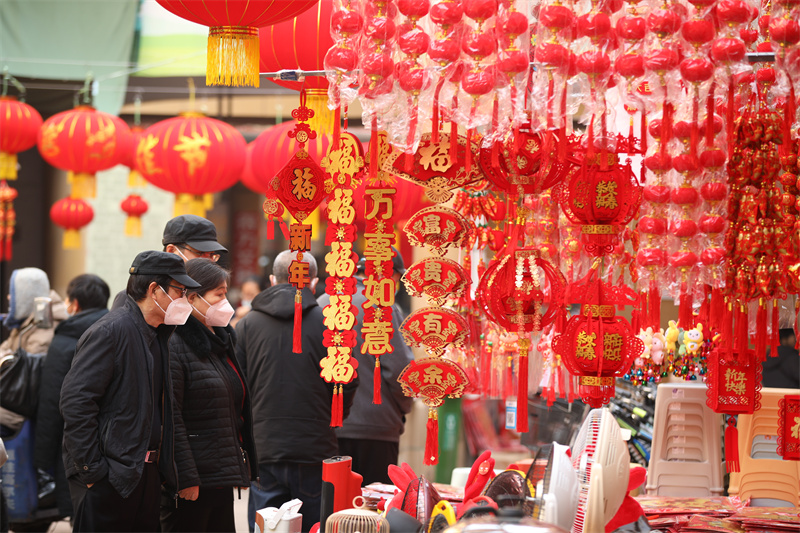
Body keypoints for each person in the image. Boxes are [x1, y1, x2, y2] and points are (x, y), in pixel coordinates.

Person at [60, 251, 199, 532]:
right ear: (154, 290)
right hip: (110, 478)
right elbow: (76, 402)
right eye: (179, 291)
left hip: (144, 474)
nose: (184, 300)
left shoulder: (159, 334)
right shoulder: (111, 331)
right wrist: (93, 471)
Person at [235, 251, 358, 532]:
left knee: (268, 525)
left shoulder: (247, 325)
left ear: (271, 280)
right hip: (314, 447)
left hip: (263, 447)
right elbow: (347, 382)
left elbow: (236, 387)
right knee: (314, 525)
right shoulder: (332, 325)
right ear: (314, 283)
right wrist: (332, 415)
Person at [160, 258, 258, 532]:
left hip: (221, 475)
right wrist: (186, 477)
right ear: (192, 298)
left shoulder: (222, 342)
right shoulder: (175, 344)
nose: (226, 301)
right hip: (194, 482)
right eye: (220, 294)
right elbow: (172, 416)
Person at [319, 248, 415, 485]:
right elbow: (401, 371)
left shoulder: (323, 302)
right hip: (376, 427)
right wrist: (403, 408)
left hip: (326, 427)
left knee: (333, 508)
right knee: (372, 509)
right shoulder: (382, 306)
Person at [34, 274, 110, 519]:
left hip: (76, 449)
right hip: (118, 447)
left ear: (74, 304)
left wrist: (41, 459)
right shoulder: (117, 330)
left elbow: (51, 403)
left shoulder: (65, 338)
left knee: (84, 516)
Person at [0, 267, 67, 432]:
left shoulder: (45, 326)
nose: (9, 297)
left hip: (18, 408)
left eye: (13, 293)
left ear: (26, 296)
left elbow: (26, 375)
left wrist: (7, 360)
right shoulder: (26, 322)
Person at [112, 214, 227, 309]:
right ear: (172, 250)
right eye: (201, 253)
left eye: (212, 255)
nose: (209, 262)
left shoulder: (209, 300)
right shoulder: (137, 296)